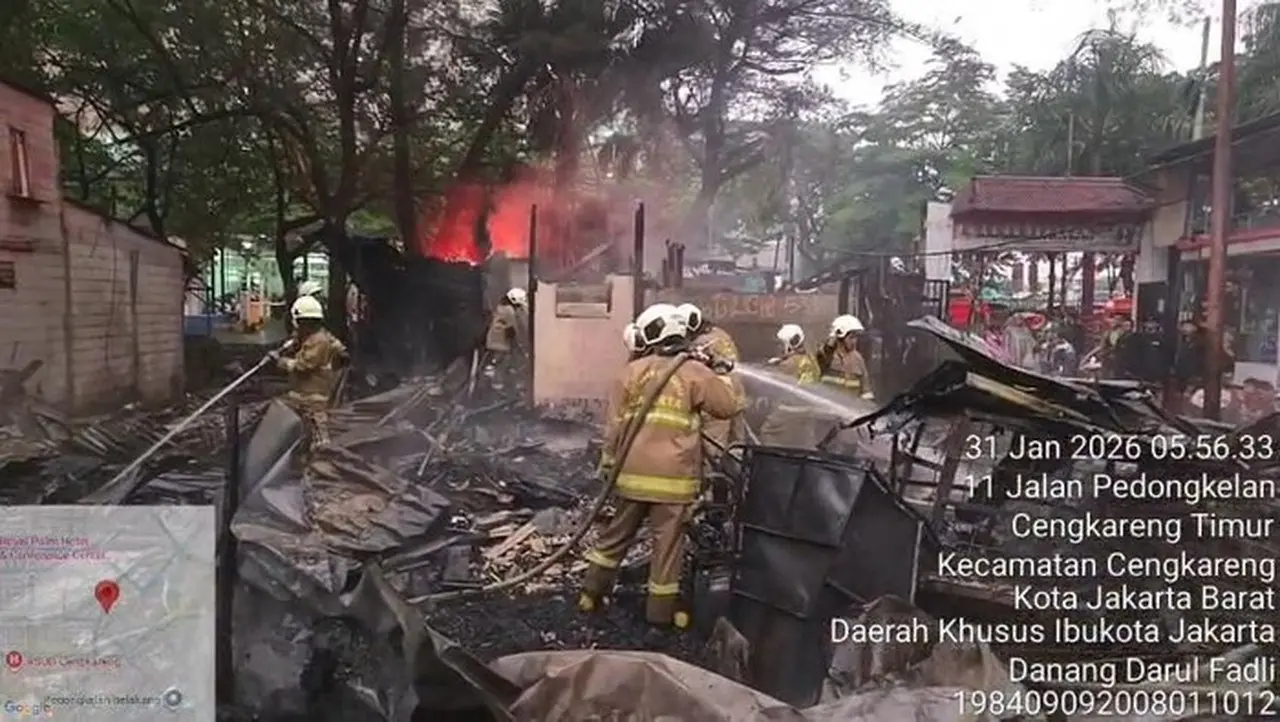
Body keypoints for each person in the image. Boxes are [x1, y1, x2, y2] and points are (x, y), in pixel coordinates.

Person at [580, 302, 744, 630]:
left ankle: (590, 594)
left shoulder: (631, 372)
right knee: (667, 549)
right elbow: (728, 406)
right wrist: (722, 373)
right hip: (673, 482)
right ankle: (659, 615)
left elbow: (614, 427)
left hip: (631, 475)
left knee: (615, 536)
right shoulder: (696, 372)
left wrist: (609, 464)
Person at [273, 295, 347, 459]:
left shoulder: (318, 341)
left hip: (313, 398)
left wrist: (281, 362)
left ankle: (323, 461)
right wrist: (286, 348)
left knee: (318, 435)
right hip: (303, 396)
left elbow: (302, 366)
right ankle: (306, 457)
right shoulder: (314, 337)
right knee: (304, 432)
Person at [676, 302, 744, 456]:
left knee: (713, 451)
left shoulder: (700, 343)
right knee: (737, 450)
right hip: (737, 398)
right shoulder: (720, 334)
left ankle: (716, 472)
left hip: (719, 401)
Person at [759, 323, 821, 447]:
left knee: (767, 435)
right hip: (808, 413)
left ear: (791, 343)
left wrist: (768, 367)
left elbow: (771, 384)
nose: (779, 348)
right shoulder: (810, 360)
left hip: (787, 412)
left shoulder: (788, 364)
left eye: (781, 344)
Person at [816, 314, 873, 400]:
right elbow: (821, 356)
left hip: (851, 407)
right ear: (840, 337)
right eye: (851, 337)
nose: (855, 341)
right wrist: (832, 340)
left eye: (856, 337)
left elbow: (866, 390)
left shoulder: (858, 359)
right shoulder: (827, 356)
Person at [483, 287, 528, 390]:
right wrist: (519, 343)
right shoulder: (509, 311)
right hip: (500, 343)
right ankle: (497, 385)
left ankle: (495, 379)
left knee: (501, 362)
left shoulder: (501, 308)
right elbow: (513, 329)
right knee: (503, 363)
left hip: (494, 341)